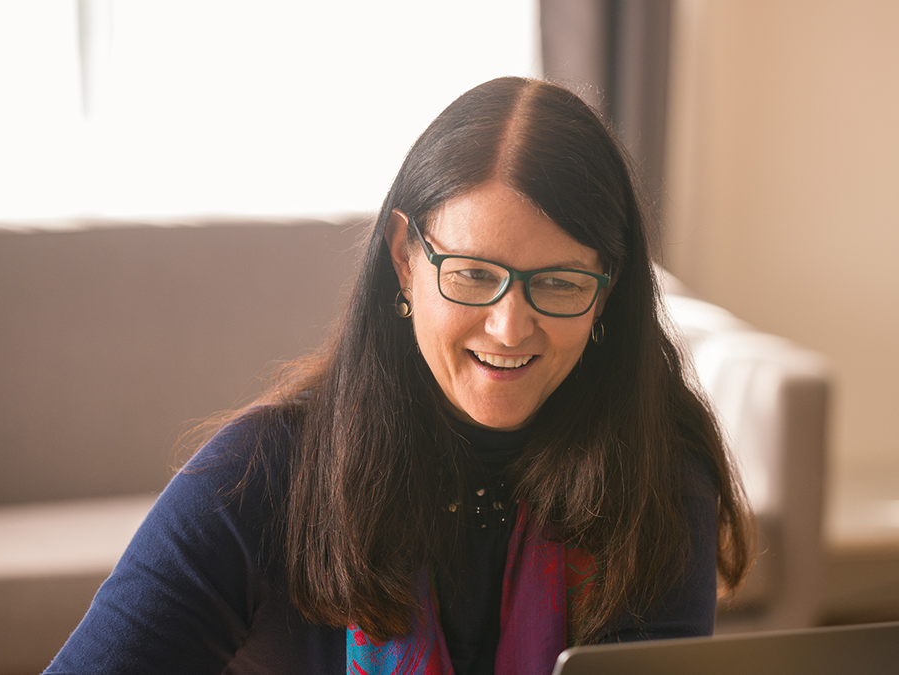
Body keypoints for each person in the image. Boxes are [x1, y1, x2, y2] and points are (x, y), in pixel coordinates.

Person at [44, 77, 751, 675]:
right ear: (404, 260)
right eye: (474, 273)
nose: (509, 327)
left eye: (559, 283)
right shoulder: (258, 474)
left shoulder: (657, 471)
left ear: (606, 287)